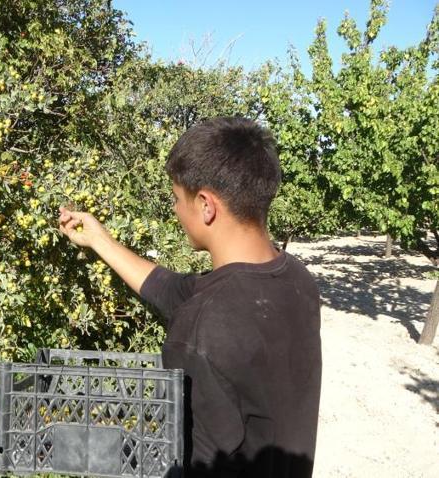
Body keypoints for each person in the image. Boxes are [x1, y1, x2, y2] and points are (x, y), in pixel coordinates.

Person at [57, 117, 322, 478]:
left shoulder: (201, 331)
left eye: (177, 198)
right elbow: (170, 289)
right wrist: (99, 241)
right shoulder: (295, 278)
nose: (175, 210)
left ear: (205, 205)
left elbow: (200, 463)